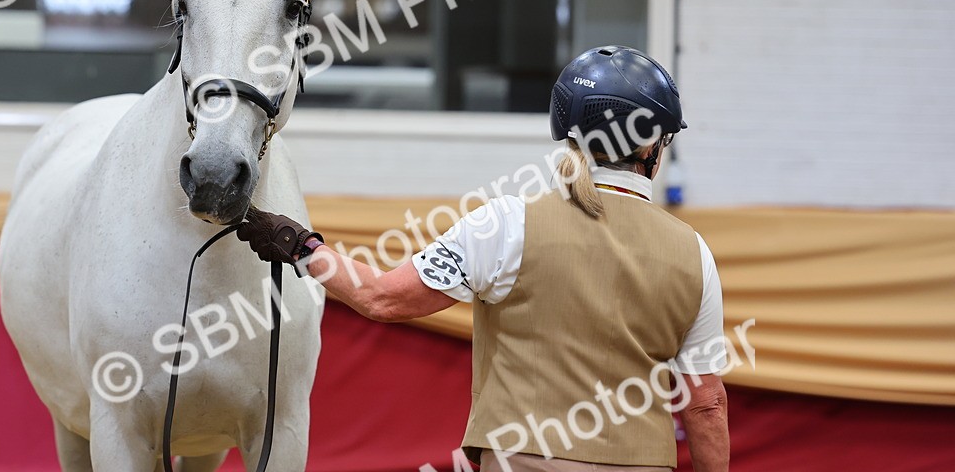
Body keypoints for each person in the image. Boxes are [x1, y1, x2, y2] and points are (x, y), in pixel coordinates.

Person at [237, 46, 730, 472]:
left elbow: (379, 297)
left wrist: (298, 244)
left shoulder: (506, 223)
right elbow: (706, 404)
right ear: (650, 144)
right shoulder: (696, 255)